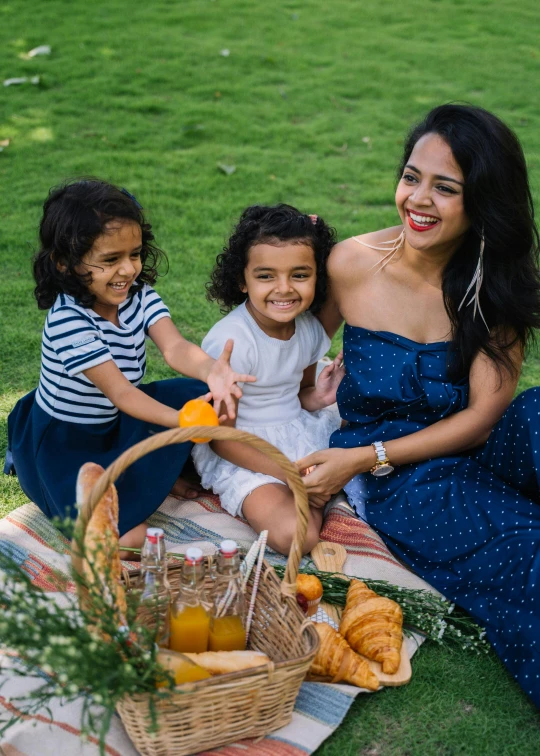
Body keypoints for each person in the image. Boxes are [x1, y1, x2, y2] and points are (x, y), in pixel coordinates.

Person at [297, 104, 540, 707]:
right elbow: (297, 349)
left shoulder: (492, 286)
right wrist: (307, 392)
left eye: (445, 187)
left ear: (481, 202)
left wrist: (362, 455)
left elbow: (483, 416)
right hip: (405, 477)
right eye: (412, 177)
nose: (418, 199)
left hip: (482, 444)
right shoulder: (351, 263)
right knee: (526, 550)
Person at [5, 179, 254, 556]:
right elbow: (121, 393)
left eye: (134, 254)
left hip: (117, 422)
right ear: (64, 264)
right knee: (125, 541)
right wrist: (183, 424)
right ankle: (148, 477)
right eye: (110, 260)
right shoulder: (68, 322)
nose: (128, 270)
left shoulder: (138, 296)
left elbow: (175, 347)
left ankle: (165, 472)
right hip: (67, 443)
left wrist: (211, 372)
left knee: (198, 395)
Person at [192, 204, 344, 555]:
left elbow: (297, 392)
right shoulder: (233, 343)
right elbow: (222, 439)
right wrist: (290, 474)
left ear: (317, 276)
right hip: (247, 451)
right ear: (242, 280)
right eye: (266, 276)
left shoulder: (307, 329)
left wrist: (318, 399)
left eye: (300, 275)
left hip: (297, 432)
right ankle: (315, 499)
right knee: (297, 538)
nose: (284, 289)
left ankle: (315, 496)